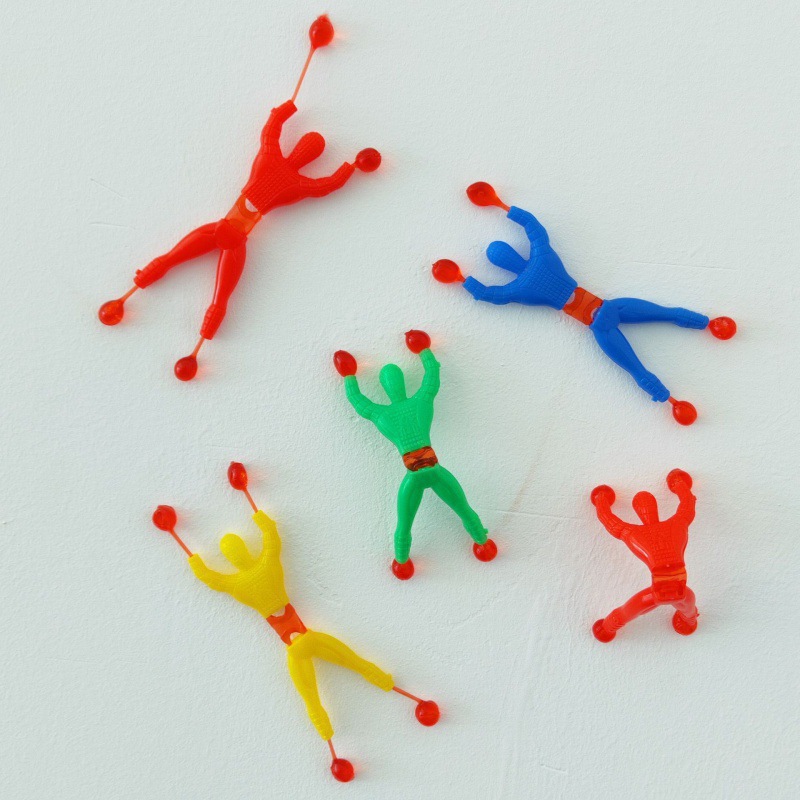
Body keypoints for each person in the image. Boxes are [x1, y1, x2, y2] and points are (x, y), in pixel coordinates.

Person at [99, 17, 381, 380]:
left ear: (300, 149)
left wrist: (286, 110)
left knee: (178, 264)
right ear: (309, 156)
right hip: (234, 238)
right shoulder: (294, 183)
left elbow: (272, 133)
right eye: (310, 150)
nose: (304, 152)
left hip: (224, 231)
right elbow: (325, 185)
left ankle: (135, 303)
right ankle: (185, 341)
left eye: (306, 148)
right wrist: (350, 167)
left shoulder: (272, 161)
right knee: (212, 289)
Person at [154, 464, 438, 782]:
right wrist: (256, 511)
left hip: (294, 649)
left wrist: (183, 545)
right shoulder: (267, 565)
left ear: (230, 559)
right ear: (244, 550)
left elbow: (209, 578)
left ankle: (336, 753)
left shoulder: (237, 586)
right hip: (309, 637)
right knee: (356, 662)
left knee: (311, 698)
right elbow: (271, 538)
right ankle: (408, 698)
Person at [433, 183, 736, 424]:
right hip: (611, 307)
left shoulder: (518, 289)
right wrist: (501, 205)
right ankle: (711, 324)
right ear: (514, 252)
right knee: (664, 314)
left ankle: (671, 402)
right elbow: (535, 229)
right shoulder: (542, 257)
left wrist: (461, 278)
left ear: (503, 266)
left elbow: (489, 295)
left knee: (634, 368)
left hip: (597, 327)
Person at [334, 330, 497, 580]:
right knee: (463, 509)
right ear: (400, 382)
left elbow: (358, 401)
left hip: (413, 475)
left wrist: (349, 375)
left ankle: (402, 562)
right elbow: (432, 376)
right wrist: (424, 350)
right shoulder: (421, 401)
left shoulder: (382, 414)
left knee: (406, 523)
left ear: (384, 387)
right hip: (435, 470)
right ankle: (483, 544)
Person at [589, 469, 700, 641]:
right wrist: (679, 484)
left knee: (628, 611)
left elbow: (608, 519)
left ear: (638, 513)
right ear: (655, 506)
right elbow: (688, 503)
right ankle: (689, 621)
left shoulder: (632, 533)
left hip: (656, 593)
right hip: (681, 589)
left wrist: (601, 499)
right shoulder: (678, 523)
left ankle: (606, 628)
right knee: (689, 607)